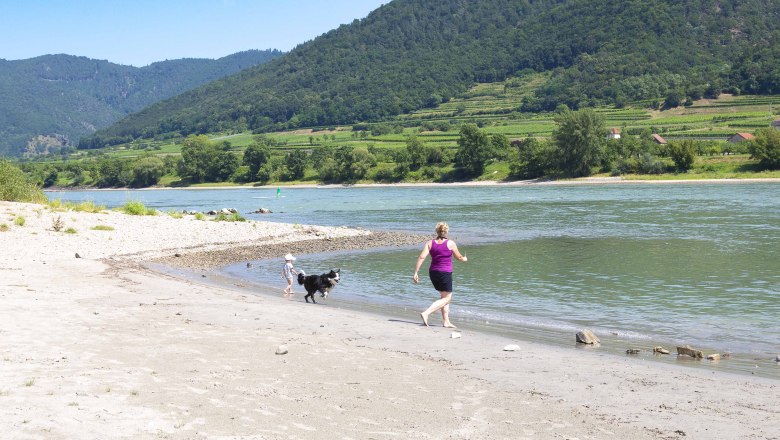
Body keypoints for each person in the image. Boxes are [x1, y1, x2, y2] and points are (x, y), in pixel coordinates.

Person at [413, 222, 467, 328]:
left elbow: (421, 257)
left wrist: (416, 272)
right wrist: (464, 259)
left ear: (436, 231)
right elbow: (459, 257)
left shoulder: (430, 243)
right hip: (445, 273)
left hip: (433, 273)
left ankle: (446, 321)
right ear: (446, 231)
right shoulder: (450, 243)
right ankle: (426, 313)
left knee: (443, 296)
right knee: (447, 298)